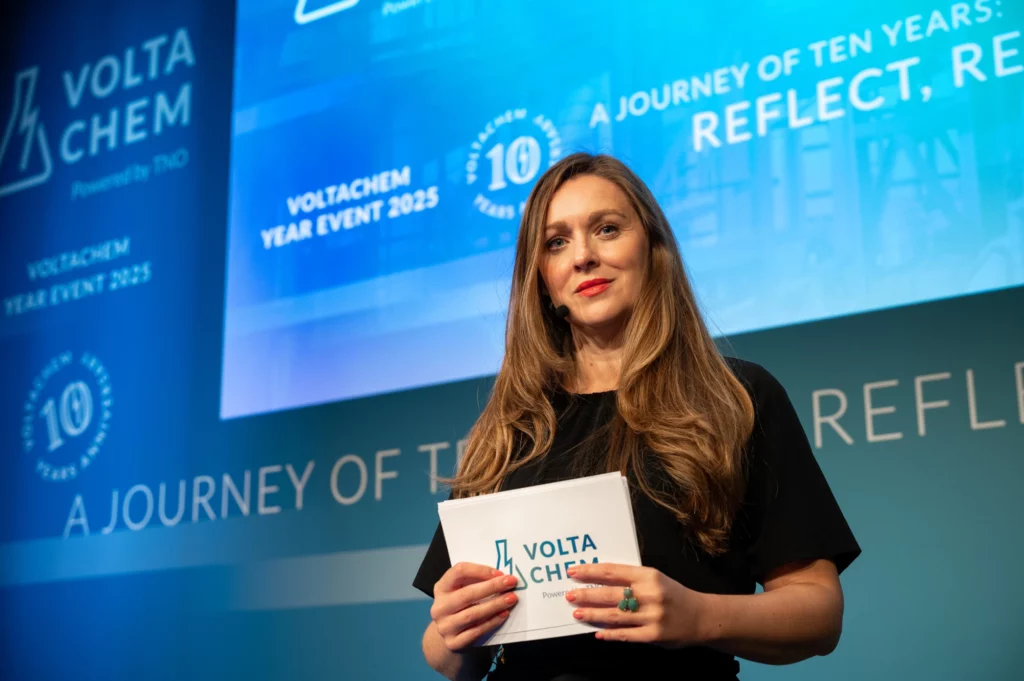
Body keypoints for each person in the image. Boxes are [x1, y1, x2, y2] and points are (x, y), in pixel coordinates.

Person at [412, 152, 861, 680]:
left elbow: (818, 612)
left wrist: (697, 616)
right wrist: (452, 632)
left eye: (606, 229)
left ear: (651, 245)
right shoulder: (512, 428)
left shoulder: (737, 397)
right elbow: (447, 658)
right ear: (542, 278)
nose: (582, 257)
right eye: (557, 242)